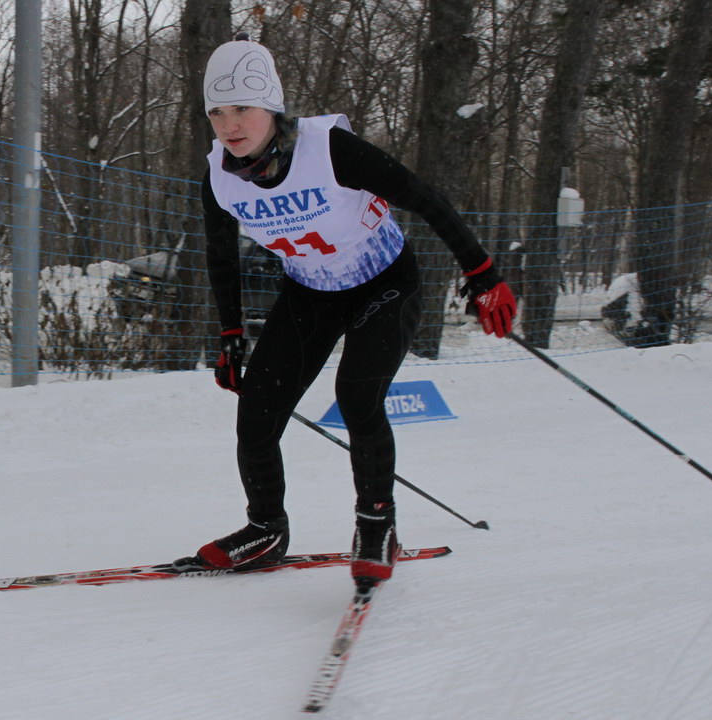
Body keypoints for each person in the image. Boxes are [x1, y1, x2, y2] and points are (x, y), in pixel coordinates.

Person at [184, 35, 516, 586]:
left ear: (271, 106)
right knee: (258, 410)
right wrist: (230, 334)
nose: (229, 125)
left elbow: (425, 198)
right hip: (309, 292)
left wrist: (482, 274)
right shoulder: (219, 176)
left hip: (384, 283)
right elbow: (221, 257)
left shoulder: (330, 149)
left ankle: (376, 525)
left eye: (242, 108)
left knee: (357, 396)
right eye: (216, 112)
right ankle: (265, 528)